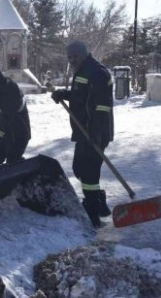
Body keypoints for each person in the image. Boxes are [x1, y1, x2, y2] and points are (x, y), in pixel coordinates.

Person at [51, 41, 114, 228]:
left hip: (96, 131)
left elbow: (103, 105)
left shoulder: (98, 72)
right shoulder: (82, 70)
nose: (72, 61)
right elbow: (81, 96)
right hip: (83, 131)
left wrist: (95, 132)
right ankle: (99, 202)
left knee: (89, 173)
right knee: (79, 168)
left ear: (84, 54)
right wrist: (64, 94)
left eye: (75, 57)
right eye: (69, 57)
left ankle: (93, 211)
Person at [0, 70, 31, 167]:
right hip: (4, 133)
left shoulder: (11, 94)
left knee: (12, 163)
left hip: (18, 135)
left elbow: (2, 123)